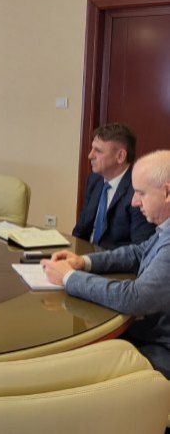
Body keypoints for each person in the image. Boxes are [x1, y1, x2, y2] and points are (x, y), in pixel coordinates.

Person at [43, 150, 170, 377]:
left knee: (71, 366)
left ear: (167, 192)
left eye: (141, 193)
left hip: (161, 350)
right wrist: (83, 262)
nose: (134, 202)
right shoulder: (165, 229)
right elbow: (139, 252)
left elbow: (134, 298)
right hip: (149, 334)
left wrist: (69, 277)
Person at [72, 123, 155, 249]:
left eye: (98, 151)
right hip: (85, 254)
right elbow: (81, 229)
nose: (90, 156)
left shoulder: (139, 189)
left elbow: (140, 249)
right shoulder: (94, 180)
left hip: (115, 259)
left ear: (120, 156)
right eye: (92, 149)